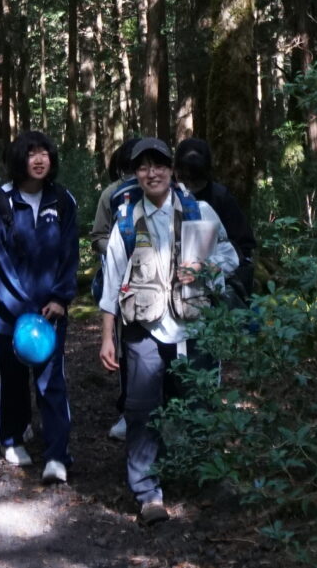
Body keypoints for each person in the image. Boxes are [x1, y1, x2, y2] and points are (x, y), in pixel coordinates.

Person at [99, 136, 239, 524]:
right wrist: (107, 336)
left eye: (159, 164)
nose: (152, 173)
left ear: (172, 169)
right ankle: (148, 493)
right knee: (141, 409)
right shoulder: (126, 220)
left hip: (194, 326)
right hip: (144, 328)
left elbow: (230, 256)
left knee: (199, 404)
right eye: (143, 166)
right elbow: (111, 280)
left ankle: (204, 478)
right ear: (135, 174)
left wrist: (204, 267)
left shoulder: (200, 211)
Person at [0, 129, 78, 484]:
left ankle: (57, 455)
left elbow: (70, 254)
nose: (38, 159)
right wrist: (22, 308)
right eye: (31, 153)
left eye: (44, 153)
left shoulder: (62, 200)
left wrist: (60, 298)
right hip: (10, 314)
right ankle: (12, 438)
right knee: (13, 379)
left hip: (52, 312)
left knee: (52, 382)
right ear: (18, 159)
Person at [91, 139, 143, 441]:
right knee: (125, 350)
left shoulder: (168, 191)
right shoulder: (111, 194)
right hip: (123, 285)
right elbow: (98, 236)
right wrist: (119, 247)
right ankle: (127, 411)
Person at [175, 139, 254, 299]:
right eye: (185, 179)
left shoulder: (220, 197)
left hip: (218, 282)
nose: (189, 188)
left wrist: (208, 266)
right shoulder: (169, 198)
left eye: (195, 181)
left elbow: (242, 248)